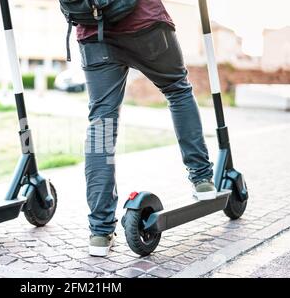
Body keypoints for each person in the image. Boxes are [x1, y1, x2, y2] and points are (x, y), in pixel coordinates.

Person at [77, 0, 217, 257]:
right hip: (145, 24)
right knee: (177, 90)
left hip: (93, 31)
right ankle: (202, 179)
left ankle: (99, 232)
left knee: (101, 125)